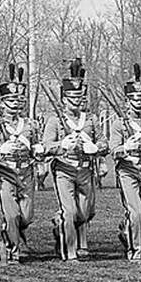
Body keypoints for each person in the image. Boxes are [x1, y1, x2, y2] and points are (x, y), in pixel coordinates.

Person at [43, 58, 99, 261]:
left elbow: (103, 144)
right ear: (64, 99)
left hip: (85, 170)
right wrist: (61, 146)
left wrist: (96, 148)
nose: (76, 102)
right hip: (64, 170)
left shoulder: (90, 120)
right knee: (70, 211)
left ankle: (59, 224)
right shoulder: (55, 121)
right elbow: (46, 147)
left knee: (84, 214)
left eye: (80, 98)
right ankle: (70, 252)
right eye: (72, 98)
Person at [0, 64, 42, 263]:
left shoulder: (30, 125)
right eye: (11, 100)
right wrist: (1, 151)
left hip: (26, 172)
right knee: (11, 214)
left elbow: (36, 146)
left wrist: (38, 150)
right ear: (2, 103)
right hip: (5, 173)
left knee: (26, 217)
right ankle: (10, 251)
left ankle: (8, 233)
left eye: (19, 100)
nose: (16, 104)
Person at [109, 64, 141, 262]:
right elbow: (113, 151)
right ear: (127, 101)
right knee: (136, 213)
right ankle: (135, 251)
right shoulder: (119, 123)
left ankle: (126, 229)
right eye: (134, 98)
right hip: (127, 171)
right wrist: (125, 147)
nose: (138, 102)